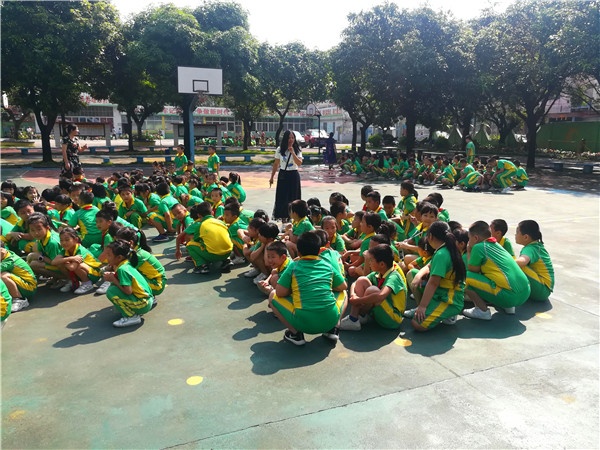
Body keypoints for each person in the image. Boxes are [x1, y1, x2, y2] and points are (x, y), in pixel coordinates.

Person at [269, 231, 347, 345]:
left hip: (304, 323)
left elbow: (280, 292)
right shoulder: (327, 265)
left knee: (273, 295)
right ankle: (334, 328)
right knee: (343, 292)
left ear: (299, 252)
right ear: (319, 250)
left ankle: (295, 334)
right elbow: (343, 286)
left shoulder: (293, 266)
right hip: (330, 319)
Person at [404, 221, 466, 331]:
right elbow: (429, 266)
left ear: (430, 236)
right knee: (413, 274)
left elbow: (433, 283)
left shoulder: (442, 254)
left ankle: (446, 313)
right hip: (441, 291)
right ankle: (425, 308)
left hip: (450, 299)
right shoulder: (446, 248)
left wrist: (423, 306)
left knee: (417, 324)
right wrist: (418, 275)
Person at [462, 221, 531, 320]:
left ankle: (482, 310)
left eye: (469, 238)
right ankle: (508, 307)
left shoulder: (478, 247)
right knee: (495, 273)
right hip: (525, 292)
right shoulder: (496, 245)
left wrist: (469, 251)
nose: (469, 241)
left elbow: (473, 270)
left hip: (510, 297)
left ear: (476, 238)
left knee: (466, 276)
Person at [340, 244, 406, 331]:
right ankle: (356, 318)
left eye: (371, 260)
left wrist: (358, 300)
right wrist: (353, 295)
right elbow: (355, 283)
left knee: (372, 291)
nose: (369, 263)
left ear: (382, 264)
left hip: (392, 319)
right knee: (362, 280)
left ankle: (357, 317)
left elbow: (380, 296)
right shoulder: (379, 273)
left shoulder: (394, 277)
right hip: (382, 311)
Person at [102, 240, 154, 328]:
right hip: (147, 300)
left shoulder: (122, 269)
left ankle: (132, 317)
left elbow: (128, 291)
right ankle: (131, 310)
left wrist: (113, 279)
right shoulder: (125, 264)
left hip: (143, 304)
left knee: (111, 291)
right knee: (114, 287)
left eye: (109, 255)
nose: (107, 258)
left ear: (119, 257)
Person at [184, 202, 233, 275]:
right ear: (212, 212)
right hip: (228, 252)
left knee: (190, 245)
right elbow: (230, 236)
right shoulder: (221, 222)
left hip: (213, 255)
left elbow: (196, 239)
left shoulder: (200, 225)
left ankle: (202, 266)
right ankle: (226, 260)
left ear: (199, 215)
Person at [514, 220, 554, 302]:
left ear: (526, 237)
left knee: (517, 266)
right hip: (544, 289)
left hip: (542, 289)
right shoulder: (536, 246)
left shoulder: (531, 248)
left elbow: (523, 261)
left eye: (517, 232)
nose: (515, 235)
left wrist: (503, 262)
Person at [269, 130, 303, 222]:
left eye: (292, 138)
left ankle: (294, 218)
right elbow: (276, 164)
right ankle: (284, 218)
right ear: (285, 139)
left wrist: (293, 153)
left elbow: (299, 163)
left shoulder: (297, 149)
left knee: (294, 197)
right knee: (282, 197)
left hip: (293, 175)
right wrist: (272, 177)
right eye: (289, 138)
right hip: (283, 174)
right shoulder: (280, 149)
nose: (291, 140)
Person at [0, 245, 37, 312]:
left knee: (3, 276)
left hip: (29, 287)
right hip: (21, 283)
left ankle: (19, 300)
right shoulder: (6, 254)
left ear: (2, 250)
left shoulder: (9, 260)